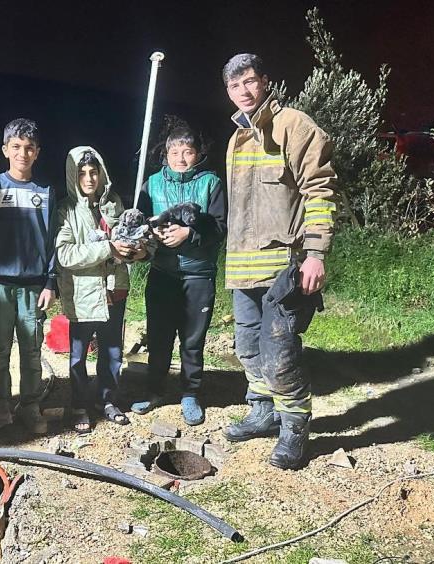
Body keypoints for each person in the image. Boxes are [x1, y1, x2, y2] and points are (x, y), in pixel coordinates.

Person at [220, 53, 337, 470]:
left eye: (250, 82)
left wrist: (316, 253)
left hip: (282, 265)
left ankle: (294, 427)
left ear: (265, 81)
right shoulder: (236, 138)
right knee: (248, 348)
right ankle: (262, 411)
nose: (244, 92)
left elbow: (319, 191)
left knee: (280, 351)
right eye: (235, 86)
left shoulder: (294, 126)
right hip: (241, 265)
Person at [133, 118, 227, 426]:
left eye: (187, 152)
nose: (181, 158)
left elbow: (219, 227)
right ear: (166, 155)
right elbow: (139, 223)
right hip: (162, 271)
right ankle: (155, 389)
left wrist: (189, 234)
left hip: (198, 274)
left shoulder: (211, 183)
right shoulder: (152, 184)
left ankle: (190, 393)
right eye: (175, 153)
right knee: (159, 336)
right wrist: (151, 234)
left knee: (192, 338)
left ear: (198, 154)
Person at [55, 146, 148, 434]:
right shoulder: (66, 210)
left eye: (93, 172)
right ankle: (79, 404)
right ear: (74, 176)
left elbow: (126, 239)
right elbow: (65, 254)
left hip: (114, 290)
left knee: (112, 351)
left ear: (101, 173)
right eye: (82, 173)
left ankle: (107, 400)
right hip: (82, 294)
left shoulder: (114, 204)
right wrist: (107, 247)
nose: (89, 178)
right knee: (79, 354)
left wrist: (136, 250)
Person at [0, 118, 58, 434]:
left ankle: (30, 404)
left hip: (33, 287)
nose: (22, 153)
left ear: (37, 152)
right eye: (16, 147)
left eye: (29, 148)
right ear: (5, 150)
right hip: (0, 286)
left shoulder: (46, 192)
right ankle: (0, 401)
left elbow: (52, 239)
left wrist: (50, 281)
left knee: (31, 349)